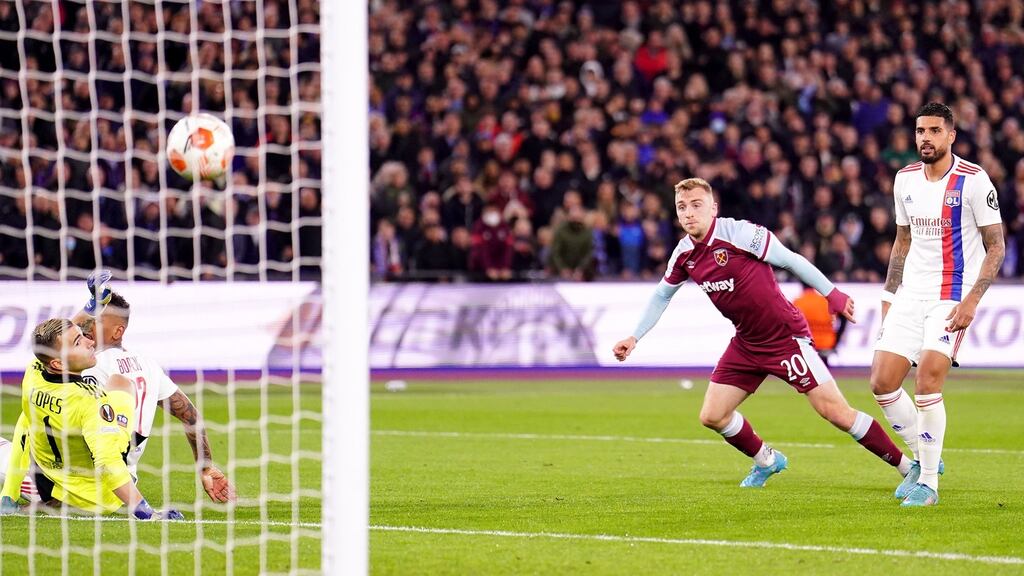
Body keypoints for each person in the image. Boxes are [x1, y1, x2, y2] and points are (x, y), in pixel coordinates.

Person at [613, 177, 912, 489]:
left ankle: (908, 467)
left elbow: (791, 260)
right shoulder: (684, 254)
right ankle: (767, 460)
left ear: (714, 208)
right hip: (746, 342)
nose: (688, 213)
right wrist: (634, 337)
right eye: (682, 207)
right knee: (712, 415)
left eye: (696, 205)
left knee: (834, 412)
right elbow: (662, 295)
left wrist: (832, 294)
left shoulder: (741, 234)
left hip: (785, 338)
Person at [871, 102, 1005, 507]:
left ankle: (928, 482)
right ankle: (924, 455)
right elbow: (902, 242)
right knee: (881, 383)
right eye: (919, 131)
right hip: (910, 293)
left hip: (951, 296)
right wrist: (888, 297)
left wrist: (972, 301)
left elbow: (996, 246)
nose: (925, 138)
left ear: (951, 136)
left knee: (927, 381)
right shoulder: (904, 179)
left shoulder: (974, 180)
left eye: (933, 131)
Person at [74, 272, 236, 502]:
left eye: (96, 322)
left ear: (118, 331)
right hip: (124, 485)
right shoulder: (148, 366)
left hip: (84, 482)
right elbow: (191, 417)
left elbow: (52, 345)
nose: (87, 327)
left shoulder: (91, 366)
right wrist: (206, 467)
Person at [0, 319, 180, 519]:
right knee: (121, 385)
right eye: (78, 342)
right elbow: (107, 463)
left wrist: (91, 305)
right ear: (58, 363)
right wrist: (147, 513)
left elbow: (53, 342)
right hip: (94, 498)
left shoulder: (33, 375)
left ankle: (9, 495)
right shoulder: (91, 401)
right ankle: (119, 445)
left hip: (47, 473)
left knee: (28, 417)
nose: (90, 342)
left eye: (83, 335)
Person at [792, 282, 847, 366]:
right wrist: (837, 338)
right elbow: (844, 317)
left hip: (807, 344)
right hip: (827, 343)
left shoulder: (798, 302)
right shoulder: (825, 301)